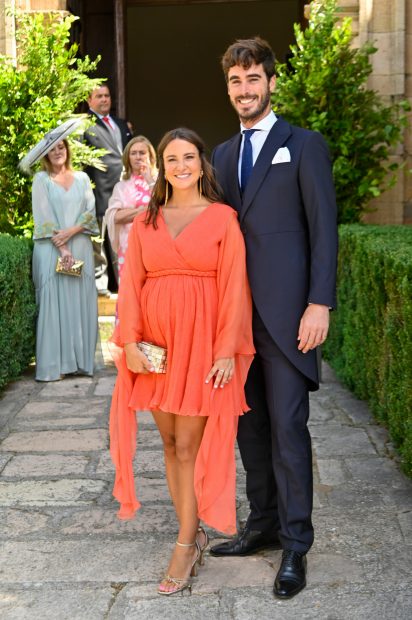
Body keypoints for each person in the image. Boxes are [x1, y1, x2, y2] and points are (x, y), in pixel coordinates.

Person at [209, 37, 338, 600]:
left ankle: (296, 544)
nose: (245, 90)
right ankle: (261, 524)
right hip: (235, 321)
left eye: (253, 78)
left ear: (271, 82)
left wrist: (320, 302)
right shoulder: (219, 155)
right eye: (236, 81)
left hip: (289, 319)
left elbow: (323, 230)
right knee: (249, 428)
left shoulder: (303, 145)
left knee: (288, 430)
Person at [109, 128, 255, 596]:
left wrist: (225, 350)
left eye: (188, 156)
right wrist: (128, 341)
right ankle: (190, 530)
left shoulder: (222, 218)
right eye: (171, 158)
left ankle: (185, 543)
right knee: (170, 443)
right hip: (156, 346)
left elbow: (235, 286)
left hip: (200, 344)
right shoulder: (148, 218)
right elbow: (131, 281)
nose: (180, 165)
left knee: (189, 445)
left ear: (201, 163)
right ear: (162, 167)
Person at [32, 139, 101, 382]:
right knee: (55, 305)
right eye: (52, 149)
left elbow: (90, 214)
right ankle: (55, 365)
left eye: (61, 147)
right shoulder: (41, 180)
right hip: (52, 250)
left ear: (67, 150)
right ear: (45, 155)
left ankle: (80, 362)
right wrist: (63, 249)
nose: (57, 152)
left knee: (78, 301)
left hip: (79, 247)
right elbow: (44, 216)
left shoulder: (82, 178)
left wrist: (70, 234)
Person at [84, 84, 133, 295]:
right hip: (100, 192)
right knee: (100, 242)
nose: (104, 99)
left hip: (125, 194)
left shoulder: (122, 124)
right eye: (99, 96)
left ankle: (125, 283)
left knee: (122, 240)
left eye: (107, 95)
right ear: (89, 100)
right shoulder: (84, 125)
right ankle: (101, 286)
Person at [105, 136, 157, 285]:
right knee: (130, 290)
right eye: (133, 153)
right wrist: (145, 210)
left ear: (150, 156)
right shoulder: (121, 186)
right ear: (128, 157)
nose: (138, 157)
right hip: (128, 246)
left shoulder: (160, 181)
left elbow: (162, 209)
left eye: (142, 152)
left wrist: (149, 181)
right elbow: (114, 216)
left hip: (155, 247)